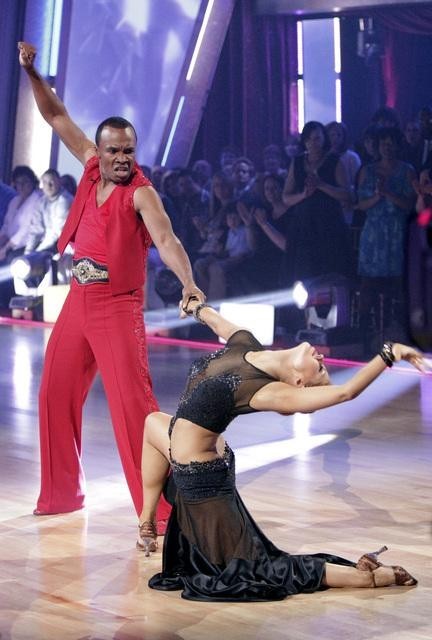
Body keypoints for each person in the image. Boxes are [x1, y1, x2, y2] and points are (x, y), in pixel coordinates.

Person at [18, 41, 205, 528]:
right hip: (78, 304)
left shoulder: (141, 193)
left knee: (135, 412)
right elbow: (56, 115)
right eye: (114, 151)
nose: (122, 159)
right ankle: (61, 495)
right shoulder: (86, 168)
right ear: (98, 152)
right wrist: (33, 74)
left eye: (129, 151)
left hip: (118, 309)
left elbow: (167, 239)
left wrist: (188, 281)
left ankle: (163, 512)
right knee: (53, 394)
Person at [137, 300, 423, 600]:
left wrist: (389, 353)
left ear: (298, 382)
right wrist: (195, 306)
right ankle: (146, 521)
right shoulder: (247, 344)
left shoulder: (268, 392)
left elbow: (345, 392)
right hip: (193, 454)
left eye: (321, 368)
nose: (321, 356)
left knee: (260, 568)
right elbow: (218, 322)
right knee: (152, 422)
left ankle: (367, 579)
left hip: (201, 478)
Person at [24, 169, 73, 254]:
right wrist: (28, 251)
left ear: (59, 182)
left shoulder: (65, 200)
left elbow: (57, 232)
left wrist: (37, 252)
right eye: (45, 182)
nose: (48, 185)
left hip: (63, 243)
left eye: (52, 181)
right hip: (47, 242)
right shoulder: (41, 202)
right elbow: (36, 230)